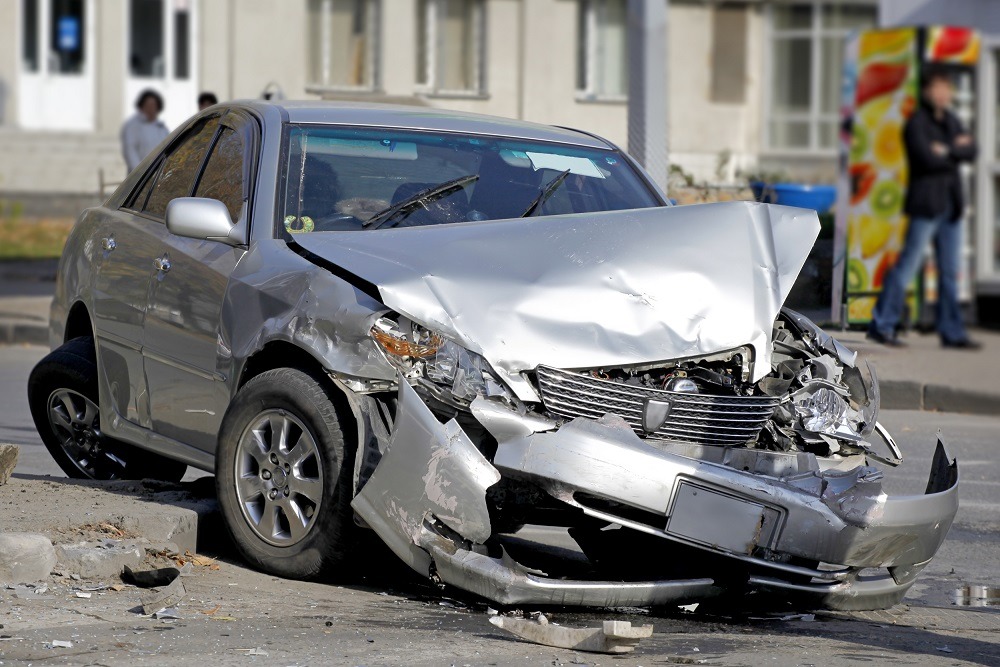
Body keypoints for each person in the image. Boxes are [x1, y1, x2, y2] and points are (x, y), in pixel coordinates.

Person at [867, 66, 979, 349]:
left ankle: (952, 332)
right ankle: (882, 324)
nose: (943, 93)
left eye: (946, 88)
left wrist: (947, 150)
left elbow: (971, 150)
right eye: (937, 87)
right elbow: (927, 159)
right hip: (926, 205)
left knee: (950, 271)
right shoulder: (917, 122)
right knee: (909, 266)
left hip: (952, 205)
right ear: (927, 91)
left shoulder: (952, 120)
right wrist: (953, 150)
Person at [120, 89, 169, 173]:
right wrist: (140, 173)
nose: (151, 108)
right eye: (148, 105)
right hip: (141, 177)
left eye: (154, 105)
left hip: (160, 173)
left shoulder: (161, 127)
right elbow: (130, 151)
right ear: (142, 107)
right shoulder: (133, 126)